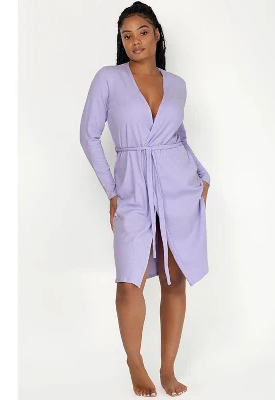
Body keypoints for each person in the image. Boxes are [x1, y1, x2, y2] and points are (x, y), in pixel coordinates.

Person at [80, 2, 211, 397]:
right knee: (129, 281)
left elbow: (179, 137)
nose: (134, 40)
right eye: (127, 35)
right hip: (132, 189)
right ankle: (134, 362)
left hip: (177, 187)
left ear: (156, 35)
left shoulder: (178, 84)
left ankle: (167, 369)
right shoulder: (108, 79)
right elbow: (88, 136)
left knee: (175, 277)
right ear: (121, 42)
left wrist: (202, 175)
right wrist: (112, 191)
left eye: (141, 31)